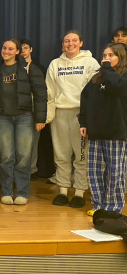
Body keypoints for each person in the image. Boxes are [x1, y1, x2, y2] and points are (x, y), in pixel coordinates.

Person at [0, 39, 47, 205]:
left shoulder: (28, 68)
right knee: (6, 157)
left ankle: (22, 192)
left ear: (18, 52)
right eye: (4, 48)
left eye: (11, 49)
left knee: (24, 157)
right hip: (3, 118)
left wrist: (41, 118)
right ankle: (6, 191)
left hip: (25, 117)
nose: (6, 51)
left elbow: (41, 93)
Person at [47, 31, 100, 208]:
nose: (70, 44)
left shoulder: (90, 63)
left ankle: (79, 192)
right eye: (67, 41)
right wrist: (49, 114)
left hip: (81, 114)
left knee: (81, 154)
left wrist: (90, 114)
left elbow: (95, 90)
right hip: (60, 113)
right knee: (61, 153)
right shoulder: (55, 64)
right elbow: (50, 91)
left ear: (81, 43)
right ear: (63, 45)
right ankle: (62, 190)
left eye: (74, 41)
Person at [80, 43, 127, 214]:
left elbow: (120, 88)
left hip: (116, 132)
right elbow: (84, 100)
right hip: (96, 131)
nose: (105, 59)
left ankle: (113, 207)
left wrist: (107, 70)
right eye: (104, 56)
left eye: (110, 56)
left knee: (115, 172)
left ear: (120, 58)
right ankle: (98, 206)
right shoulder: (96, 79)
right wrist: (83, 123)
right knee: (94, 171)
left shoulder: (122, 78)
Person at [20, 39, 47, 179]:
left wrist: (40, 116)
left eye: (25, 48)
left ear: (31, 49)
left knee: (32, 143)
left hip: (33, 111)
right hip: (18, 111)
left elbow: (42, 93)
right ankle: (18, 173)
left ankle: (32, 170)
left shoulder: (38, 68)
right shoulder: (12, 67)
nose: (23, 51)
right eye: (21, 48)